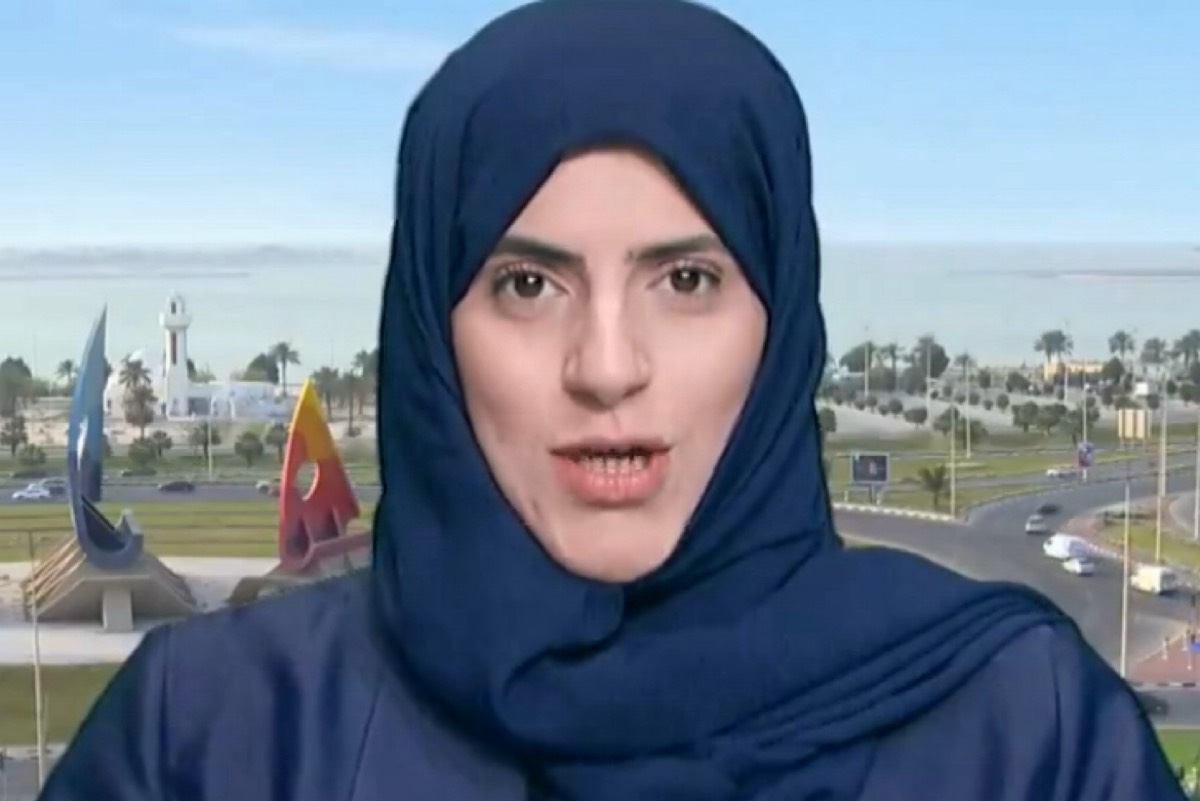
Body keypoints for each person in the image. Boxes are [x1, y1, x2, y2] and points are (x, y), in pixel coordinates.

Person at [40, 1, 1183, 799]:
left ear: (781, 323)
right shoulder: (216, 735)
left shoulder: (1027, 735)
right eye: (527, 285)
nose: (605, 365)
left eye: (685, 281)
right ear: (432, 328)